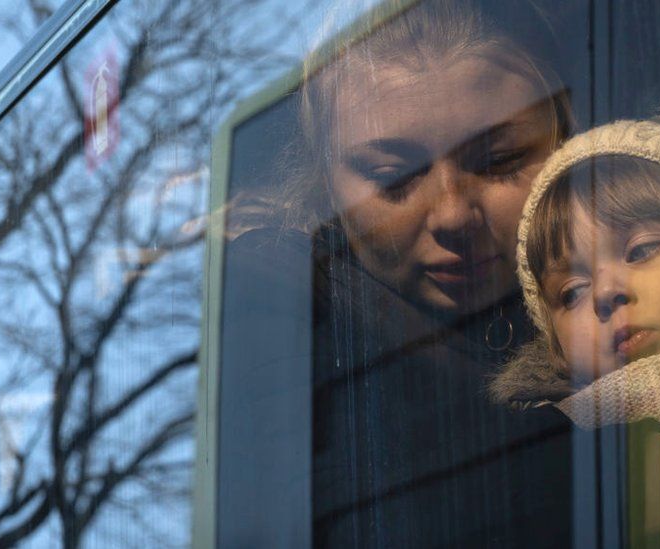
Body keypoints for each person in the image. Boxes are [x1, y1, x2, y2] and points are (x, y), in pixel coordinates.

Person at [218, 1, 575, 546]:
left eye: (499, 160)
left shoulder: (640, 267)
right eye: (394, 176)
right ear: (324, 184)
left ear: (568, 138)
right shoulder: (287, 307)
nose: (453, 213)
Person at [490, 102, 660, 533]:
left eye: (642, 250)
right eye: (572, 292)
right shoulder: (555, 461)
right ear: (554, 348)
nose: (607, 293)